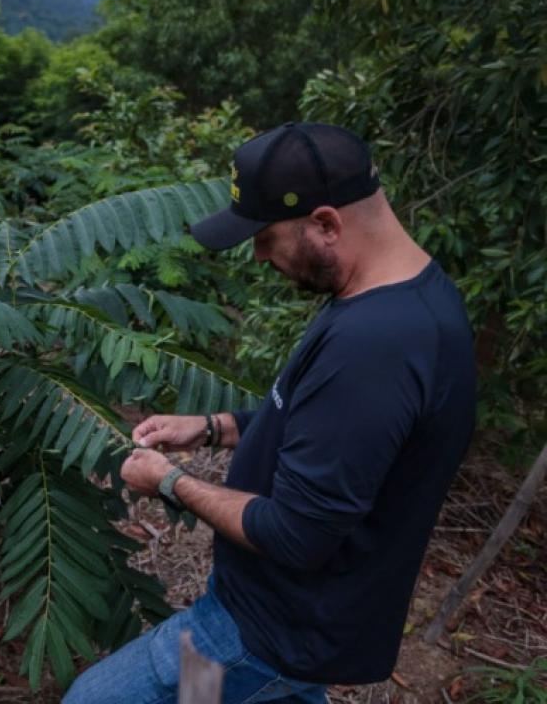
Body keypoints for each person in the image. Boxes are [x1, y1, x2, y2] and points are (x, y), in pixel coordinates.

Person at [65, 123, 476, 703]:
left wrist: (169, 482)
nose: (258, 255)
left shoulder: (376, 346)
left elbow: (297, 533)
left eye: (265, 236)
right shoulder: (403, 298)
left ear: (326, 224)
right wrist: (212, 429)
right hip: (295, 628)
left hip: (251, 640)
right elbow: (320, 428)